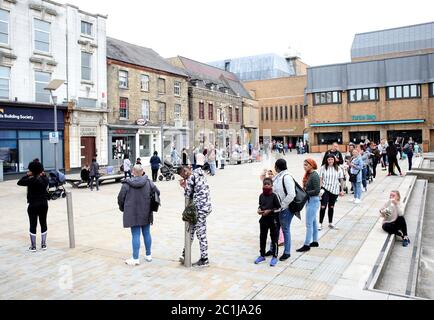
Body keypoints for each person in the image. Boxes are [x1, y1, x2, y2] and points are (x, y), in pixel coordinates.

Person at [118, 165, 160, 265]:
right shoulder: (149, 182)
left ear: (133, 172)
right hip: (146, 212)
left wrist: (123, 208)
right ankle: (148, 255)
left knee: (135, 235)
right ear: (142, 172)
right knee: (146, 233)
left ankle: (135, 258)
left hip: (133, 213)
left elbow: (120, 198)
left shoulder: (126, 184)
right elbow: (157, 192)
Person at [179, 153, 212, 267]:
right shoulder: (201, 173)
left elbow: (188, 194)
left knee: (201, 233)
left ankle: (204, 258)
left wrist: (184, 186)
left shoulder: (193, 176)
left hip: (200, 208)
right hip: (203, 206)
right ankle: (185, 253)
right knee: (191, 229)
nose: (185, 173)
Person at [17, 160, 49, 251]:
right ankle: (43, 244)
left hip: (33, 204)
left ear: (31, 170)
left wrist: (28, 174)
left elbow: (19, 182)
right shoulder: (45, 179)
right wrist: (43, 174)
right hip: (44, 204)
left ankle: (33, 246)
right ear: (41, 170)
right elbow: (45, 178)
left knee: (33, 224)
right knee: (43, 223)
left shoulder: (30, 180)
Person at [271, 159, 296, 261]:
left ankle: (287, 252)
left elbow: (291, 194)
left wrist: (282, 205)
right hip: (277, 209)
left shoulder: (286, 177)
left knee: (285, 230)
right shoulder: (278, 176)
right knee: (275, 229)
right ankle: (273, 249)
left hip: (285, 209)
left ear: (277, 167)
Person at [255, 178, 281, 266]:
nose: (266, 185)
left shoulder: (274, 196)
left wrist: (270, 211)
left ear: (271, 185)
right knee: (262, 238)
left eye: (268, 184)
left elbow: (278, 208)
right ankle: (262, 255)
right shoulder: (261, 195)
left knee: (274, 238)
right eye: (264, 184)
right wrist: (259, 210)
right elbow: (260, 205)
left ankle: (275, 256)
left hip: (272, 220)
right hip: (263, 220)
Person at [296, 159, 321, 252]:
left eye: (306, 165)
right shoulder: (309, 174)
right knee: (313, 222)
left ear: (311, 165)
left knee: (309, 224)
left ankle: (307, 244)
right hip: (310, 200)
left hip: (313, 201)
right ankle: (314, 241)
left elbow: (317, 190)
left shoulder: (314, 175)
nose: (304, 166)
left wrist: (305, 192)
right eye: (304, 165)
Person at [319, 154, 345, 230]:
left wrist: (342, 190)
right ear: (326, 160)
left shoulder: (338, 168)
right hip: (325, 188)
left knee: (331, 206)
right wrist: (320, 188)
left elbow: (341, 179)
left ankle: (330, 223)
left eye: (332, 159)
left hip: (334, 190)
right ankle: (320, 223)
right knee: (323, 206)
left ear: (334, 160)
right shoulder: (323, 168)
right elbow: (321, 178)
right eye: (329, 159)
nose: (330, 161)